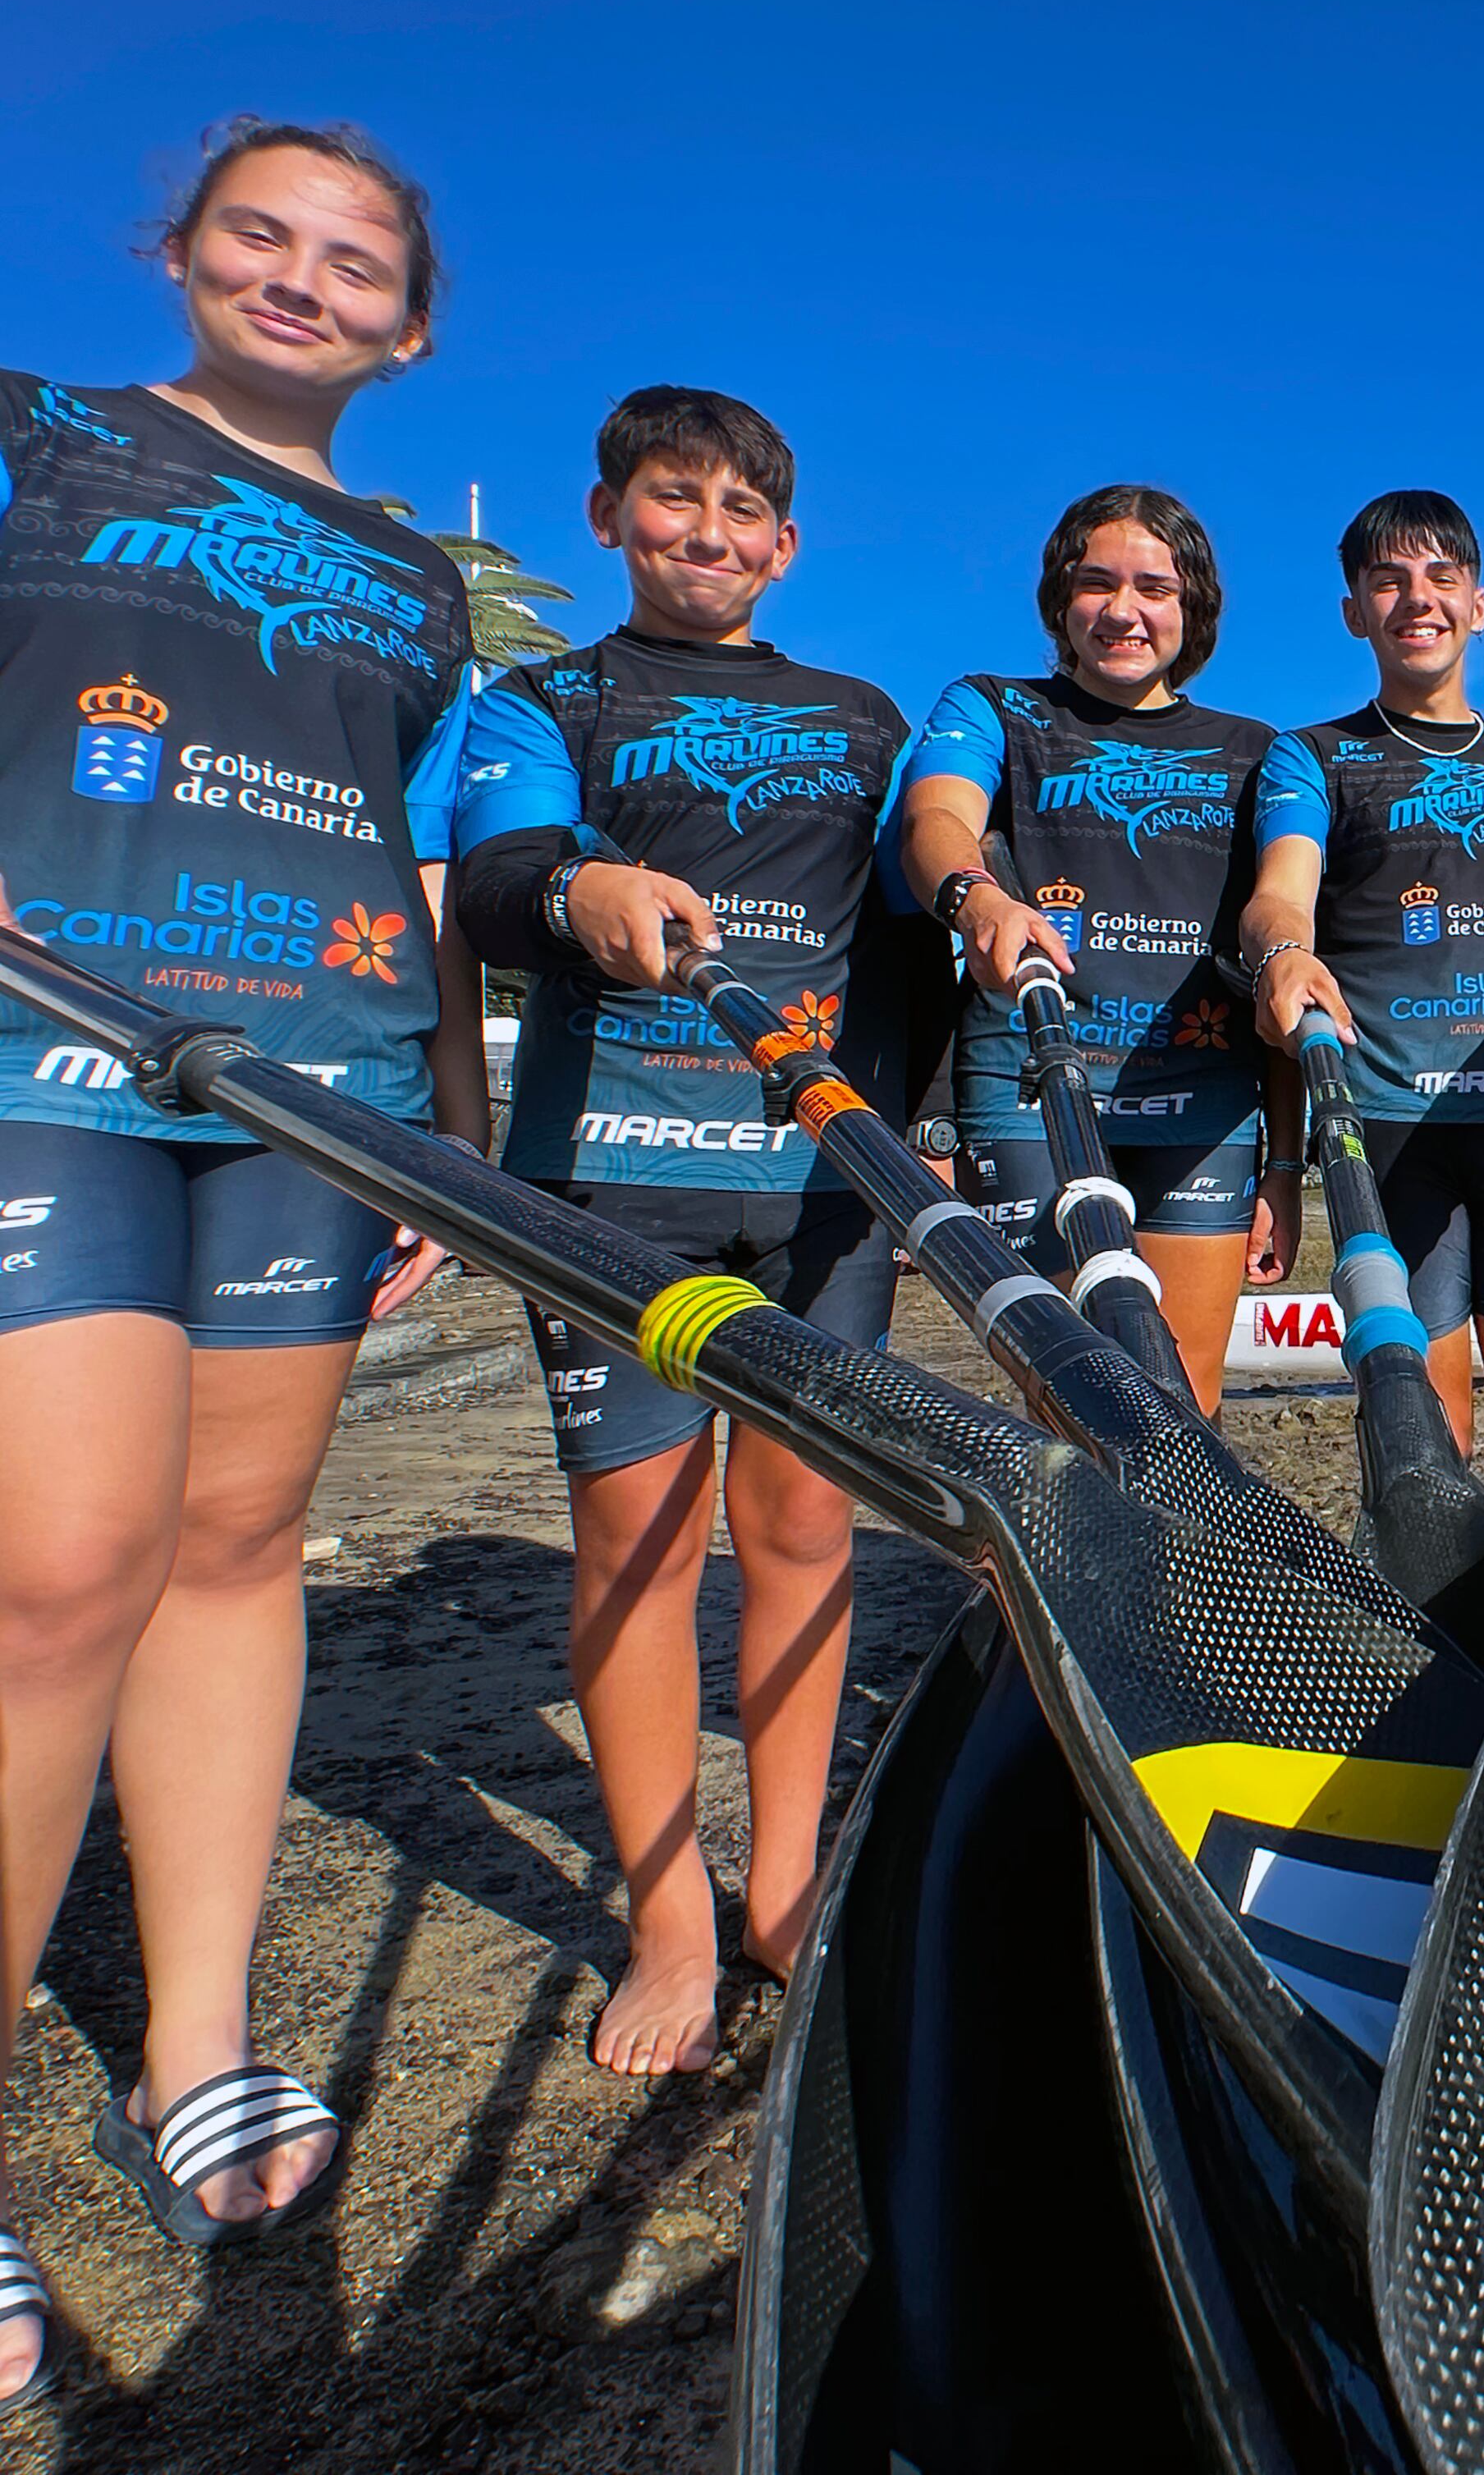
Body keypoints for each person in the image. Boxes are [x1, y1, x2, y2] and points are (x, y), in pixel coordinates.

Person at [0, 119, 482, 2409]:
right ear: (175, 252)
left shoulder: (419, 575)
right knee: (57, 1569)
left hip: (310, 1087)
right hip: (42, 1052)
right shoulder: (43, 432)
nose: (303, 280)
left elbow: (408, 842)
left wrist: (429, 1135)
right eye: (262, 238)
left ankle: (190, 2042)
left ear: (411, 323)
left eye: (354, 261)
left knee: (230, 1546)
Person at [448, 387, 913, 2078]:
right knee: (638, 1553)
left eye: (739, 514)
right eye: (672, 501)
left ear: (785, 547)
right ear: (608, 517)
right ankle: (668, 1917)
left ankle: (784, 1883)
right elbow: (493, 880)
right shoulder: (544, 697)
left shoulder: (862, 716)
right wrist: (577, 893)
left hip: (816, 1192)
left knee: (797, 1536)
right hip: (608, 1187)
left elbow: (915, 941)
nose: (705, 536)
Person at [1236, 490, 1484, 1560]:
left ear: (1481, 606)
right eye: (1389, 580)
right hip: (1391, 1139)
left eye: (1441, 578)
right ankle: (1441, 1680)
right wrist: (1285, 948)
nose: (1417, 600)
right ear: (1355, 610)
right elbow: (1279, 895)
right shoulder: (1312, 758)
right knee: (1424, 1455)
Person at [895, 484, 1301, 1412]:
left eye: (1154, 588)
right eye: (1097, 584)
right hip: (1029, 1087)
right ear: (1059, 600)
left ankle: (1165, 1565)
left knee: (1184, 1397)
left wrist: (1284, 1160)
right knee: (1067, 1394)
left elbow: (1276, 955)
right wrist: (976, 895)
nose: (1124, 611)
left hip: (1202, 1102)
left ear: (1191, 608)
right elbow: (936, 819)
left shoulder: (1259, 752)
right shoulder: (993, 709)